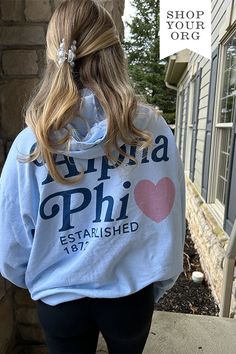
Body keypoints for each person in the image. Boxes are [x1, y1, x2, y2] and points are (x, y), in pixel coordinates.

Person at [0, 0, 186, 353]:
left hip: (60, 299)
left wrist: (44, 279)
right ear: (114, 51)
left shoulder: (32, 143)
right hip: (130, 295)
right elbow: (170, 220)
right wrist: (155, 279)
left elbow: (10, 240)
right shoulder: (151, 131)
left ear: (54, 54)